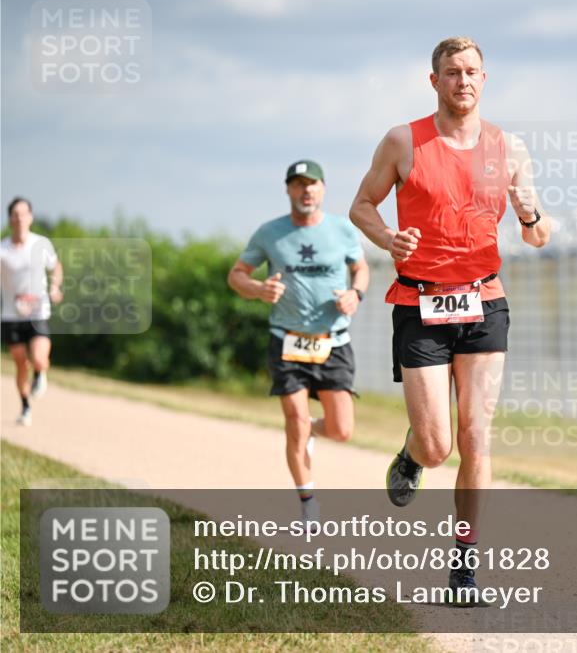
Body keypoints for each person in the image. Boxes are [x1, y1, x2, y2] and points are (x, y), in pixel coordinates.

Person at [349, 37, 551, 603]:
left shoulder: (508, 149)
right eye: (451, 72)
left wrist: (530, 214)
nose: (463, 81)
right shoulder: (402, 141)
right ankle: (413, 453)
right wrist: (389, 237)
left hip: (485, 302)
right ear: (433, 80)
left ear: (485, 80)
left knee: (476, 437)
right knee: (439, 445)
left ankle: (464, 564)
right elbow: (361, 205)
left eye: (472, 72)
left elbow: (538, 235)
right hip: (420, 303)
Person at [228, 160, 369, 525]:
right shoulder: (269, 233)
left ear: (323, 188)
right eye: (298, 184)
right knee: (295, 418)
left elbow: (361, 269)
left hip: (333, 341)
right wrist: (259, 289)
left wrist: (356, 294)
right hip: (286, 341)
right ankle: (308, 501)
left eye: (313, 184)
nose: (306, 190)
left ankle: (311, 433)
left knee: (341, 430)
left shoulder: (341, 230)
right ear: (288, 190)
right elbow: (236, 275)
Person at [1, 197, 63, 426]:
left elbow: (56, 267)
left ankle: (40, 373)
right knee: (19, 364)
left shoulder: (41, 244)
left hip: (38, 313)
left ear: (30, 217)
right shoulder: (3, 250)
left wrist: (55, 287)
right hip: (11, 315)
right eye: (15, 215)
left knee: (38, 358)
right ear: (10, 219)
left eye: (23, 213)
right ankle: (25, 407)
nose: (19, 218)